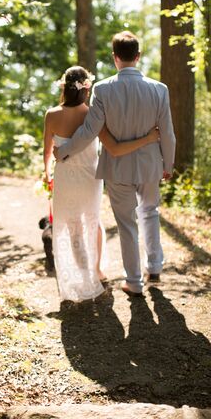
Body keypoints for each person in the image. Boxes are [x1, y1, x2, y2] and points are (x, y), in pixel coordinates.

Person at [54, 32, 176, 297]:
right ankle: (154, 266)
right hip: (151, 164)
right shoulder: (159, 89)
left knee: (127, 223)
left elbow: (89, 130)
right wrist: (169, 162)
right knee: (150, 211)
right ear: (138, 56)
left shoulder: (104, 89)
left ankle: (134, 282)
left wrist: (64, 151)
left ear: (115, 58)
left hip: (119, 167)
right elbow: (167, 132)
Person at [44, 65, 160, 303]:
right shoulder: (93, 115)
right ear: (87, 89)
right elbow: (115, 148)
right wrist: (149, 138)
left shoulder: (51, 115)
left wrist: (47, 175)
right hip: (90, 177)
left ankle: (84, 272)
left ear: (64, 87)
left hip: (65, 177)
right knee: (93, 221)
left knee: (72, 224)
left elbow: (47, 152)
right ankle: (96, 271)